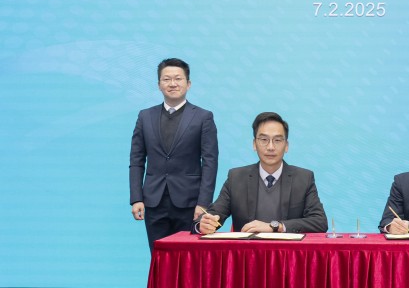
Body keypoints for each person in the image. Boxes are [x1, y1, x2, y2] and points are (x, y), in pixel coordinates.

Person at [129, 58, 219, 252]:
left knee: (188, 262)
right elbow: (136, 160)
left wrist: (203, 203)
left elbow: (210, 162)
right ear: (159, 84)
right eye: (167, 79)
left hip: (190, 203)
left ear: (188, 83)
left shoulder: (203, 117)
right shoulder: (145, 116)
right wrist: (137, 198)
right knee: (159, 259)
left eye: (178, 78)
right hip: (154, 202)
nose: (172, 84)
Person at [196, 112, 327, 235]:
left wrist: (276, 226)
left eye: (277, 140)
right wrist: (204, 224)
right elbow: (213, 214)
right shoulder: (236, 178)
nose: (270, 147)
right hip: (247, 255)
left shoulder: (303, 178)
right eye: (264, 139)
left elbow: (320, 222)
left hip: (288, 255)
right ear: (254, 144)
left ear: (286, 146)